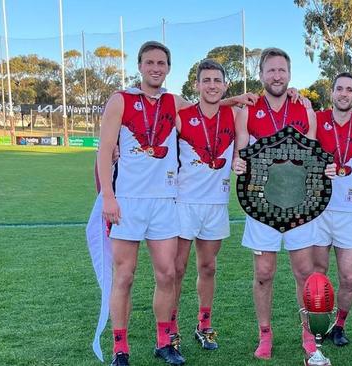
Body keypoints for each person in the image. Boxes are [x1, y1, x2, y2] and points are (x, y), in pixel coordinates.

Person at [231, 47, 336, 361]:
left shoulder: (305, 109)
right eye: (270, 70)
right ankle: (265, 333)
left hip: (300, 207)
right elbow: (240, 155)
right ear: (261, 74)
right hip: (262, 206)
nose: (276, 76)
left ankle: (306, 333)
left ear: (289, 74)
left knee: (304, 272)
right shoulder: (248, 110)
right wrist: (237, 164)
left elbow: (314, 157)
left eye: (281, 70)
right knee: (263, 272)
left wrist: (326, 169)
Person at [97, 41, 186, 366]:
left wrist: (234, 99)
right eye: (150, 62)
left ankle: (164, 342)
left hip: (165, 201)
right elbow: (104, 150)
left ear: (168, 68)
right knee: (125, 276)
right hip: (128, 202)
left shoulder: (175, 102)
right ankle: (120, 348)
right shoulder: (121, 100)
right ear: (139, 66)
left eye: (161, 63)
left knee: (166, 274)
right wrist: (109, 195)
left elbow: (210, 109)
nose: (155, 68)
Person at [172, 59, 242, 351]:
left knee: (208, 267)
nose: (212, 85)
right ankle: (170, 328)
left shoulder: (237, 115)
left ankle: (204, 324)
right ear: (197, 85)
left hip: (216, 204)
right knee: (176, 269)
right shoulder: (181, 113)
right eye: (206, 81)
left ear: (225, 85)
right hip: (184, 203)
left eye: (217, 81)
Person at [312, 72, 352, 347]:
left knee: (348, 276)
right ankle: (318, 326)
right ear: (331, 93)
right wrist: (318, 167)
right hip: (318, 210)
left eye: (349, 90)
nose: (344, 94)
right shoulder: (316, 120)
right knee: (318, 273)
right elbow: (301, 157)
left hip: (348, 212)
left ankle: (339, 325)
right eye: (339, 88)